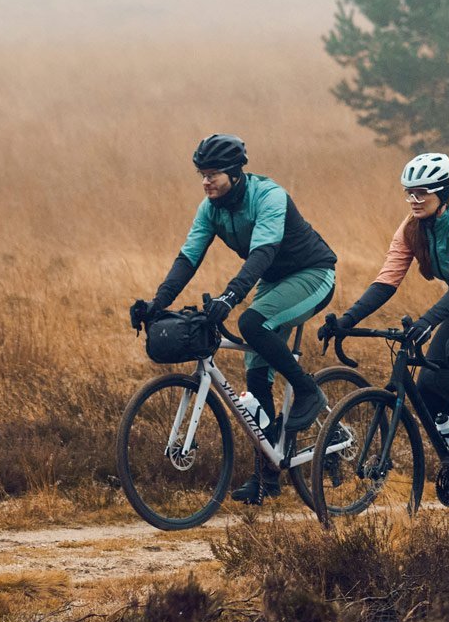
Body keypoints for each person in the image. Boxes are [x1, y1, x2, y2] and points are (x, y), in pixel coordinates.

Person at [134, 134, 337, 504]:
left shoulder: (268, 196)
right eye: (202, 174)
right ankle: (267, 476)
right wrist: (156, 304)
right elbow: (188, 259)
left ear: (234, 173)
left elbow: (262, 253)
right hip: (275, 281)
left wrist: (231, 297)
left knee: (251, 323)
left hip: (313, 273)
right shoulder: (210, 208)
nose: (206, 181)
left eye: (212, 174)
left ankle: (308, 390)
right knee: (256, 375)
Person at [320, 153, 449, 470]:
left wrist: (427, 322)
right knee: (426, 385)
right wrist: (347, 321)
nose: (414, 200)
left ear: (443, 193)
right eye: (409, 192)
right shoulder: (411, 229)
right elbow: (386, 281)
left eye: (422, 193)